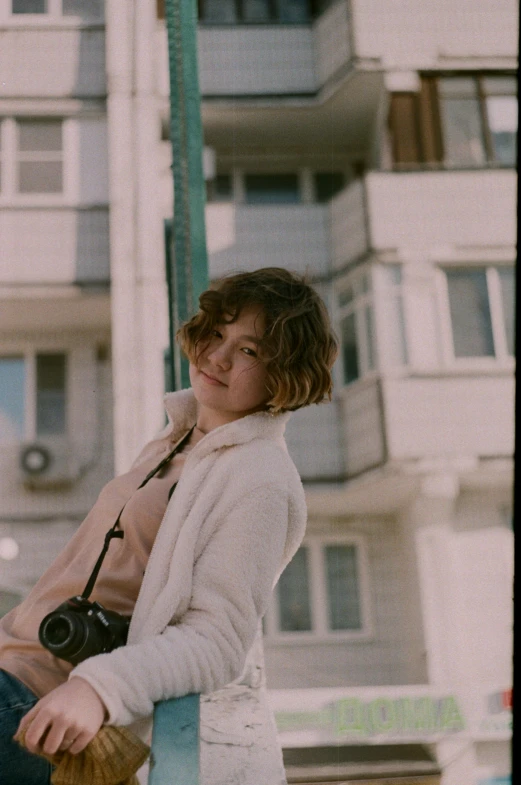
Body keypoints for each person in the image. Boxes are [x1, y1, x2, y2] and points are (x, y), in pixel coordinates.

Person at [0, 267, 338, 784]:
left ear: (283, 375)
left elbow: (217, 640)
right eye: (218, 333)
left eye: (249, 351)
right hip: (15, 670)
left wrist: (99, 688)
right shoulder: (176, 441)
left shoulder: (260, 477)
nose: (220, 356)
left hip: (43, 712)